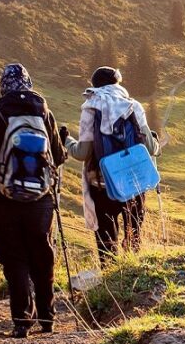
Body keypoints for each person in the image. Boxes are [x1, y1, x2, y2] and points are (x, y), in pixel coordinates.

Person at [0, 63, 65, 338]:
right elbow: (58, 156)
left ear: (3, 87)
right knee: (42, 256)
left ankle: (22, 321)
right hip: (41, 201)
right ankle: (48, 318)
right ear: (28, 83)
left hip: (2, 199)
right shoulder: (45, 114)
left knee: (15, 258)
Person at [61, 66, 159, 265]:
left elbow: (82, 153)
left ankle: (109, 280)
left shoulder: (90, 107)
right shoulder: (133, 106)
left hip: (102, 184)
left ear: (95, 86)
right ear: (117, 83)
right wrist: (155, 142)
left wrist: (67, 140)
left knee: (107, 241)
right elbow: (150, 147)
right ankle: (134, 280)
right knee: (134, 238)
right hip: (134, 183)